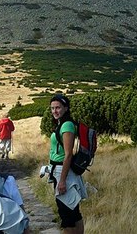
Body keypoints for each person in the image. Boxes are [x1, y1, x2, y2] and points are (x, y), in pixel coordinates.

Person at [48, 94, 87, 234]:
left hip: (63, 173)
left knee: (67, 217)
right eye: (52, 108)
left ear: (66, 108)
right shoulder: (63, 124)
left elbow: (68, 154)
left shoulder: (67, 125)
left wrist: (62, 180)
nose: (54, 111)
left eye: (58, 107)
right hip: (61, 171)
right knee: (73, 212)